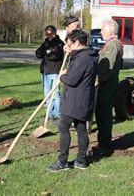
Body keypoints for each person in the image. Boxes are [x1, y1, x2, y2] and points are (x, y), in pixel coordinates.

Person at [47, 29, 98, 172]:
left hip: (76, 100)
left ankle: (62, 162)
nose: (67, 46)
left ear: (77, 42)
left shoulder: (83, 59)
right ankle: (81, 161)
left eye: (69, 44)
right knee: (81, 128)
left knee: (63, 127)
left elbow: (72, 80)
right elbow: (76, 71)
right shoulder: (87, 55)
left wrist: (62, 75)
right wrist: (69, 55)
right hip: (82, 99)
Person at [94, 19, 123, 155]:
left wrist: (98, 81)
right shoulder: (113, 44)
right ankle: (104, 143)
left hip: (107, 85)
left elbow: (107, 67)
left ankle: (105, 146)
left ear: (111, 30)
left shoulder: (112, 45)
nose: (100, 32)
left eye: (102, 29)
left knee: (103, 114)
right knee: (102, 114)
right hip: (108, 84)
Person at [35, 25, 65, 121]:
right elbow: (38, 53)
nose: (48, 36)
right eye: (47, 34)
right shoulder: (46, 42)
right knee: (47, 94)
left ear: (55, 33)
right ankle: (50, 113)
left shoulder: (60, 44)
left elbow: (55, 56)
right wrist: (46, 52)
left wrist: (47, 53)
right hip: (45, 70)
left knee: (55, 94)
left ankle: (58, 114)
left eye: (50, 34)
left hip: (54, 71)